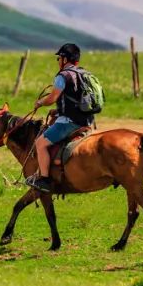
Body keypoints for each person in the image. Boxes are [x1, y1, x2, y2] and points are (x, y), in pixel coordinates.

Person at [26, 43, 95, 193]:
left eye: (59, 58)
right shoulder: (83, 74)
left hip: (69, 123)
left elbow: (52, 97)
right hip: (87, 121)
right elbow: (76, 100)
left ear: (64, 59)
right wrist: (57, 111)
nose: (58, 61)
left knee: (40, 143)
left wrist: (40, 102)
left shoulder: (62, 76)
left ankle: (44, 179)